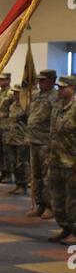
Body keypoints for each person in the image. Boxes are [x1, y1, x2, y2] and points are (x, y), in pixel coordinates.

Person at [25, 69, 58, 219]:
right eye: (39, 80)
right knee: (36, 175)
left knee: (47, 176)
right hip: (34, 140)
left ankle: (50, 206)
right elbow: (31, 116)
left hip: (46, 142)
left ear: (52, 80)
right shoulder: (36, 96)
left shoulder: (56, 97)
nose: (40, 83)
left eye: (43, 80)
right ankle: (40, 205)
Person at [48, 75, 76, 245]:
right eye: (59, 87)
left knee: (72, 200)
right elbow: (52, 134)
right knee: (56, 198)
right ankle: (65, 227)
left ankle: (74, 230)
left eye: (63, 87)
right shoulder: (57, 107)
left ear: (72, 88)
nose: (60, 90)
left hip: (72, 163)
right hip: (56, 161)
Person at [5, 84, 29, 196]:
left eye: (17, 92)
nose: (15, 94)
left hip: (21, 139)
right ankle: (18, 184)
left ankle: (23, 185)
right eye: (14, 92)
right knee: (13, 163)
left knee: (21, 164)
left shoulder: (26, 106)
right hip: (11, 138)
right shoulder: (13, 105)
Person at [0, 72, 14, 183]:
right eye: (0, 80)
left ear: (9, 80)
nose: (1, 82)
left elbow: (14, 109)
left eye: (3, 80)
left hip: (7, 126)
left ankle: (9, 174)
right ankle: (2, 171)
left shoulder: (11, 94)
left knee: (7, 151)